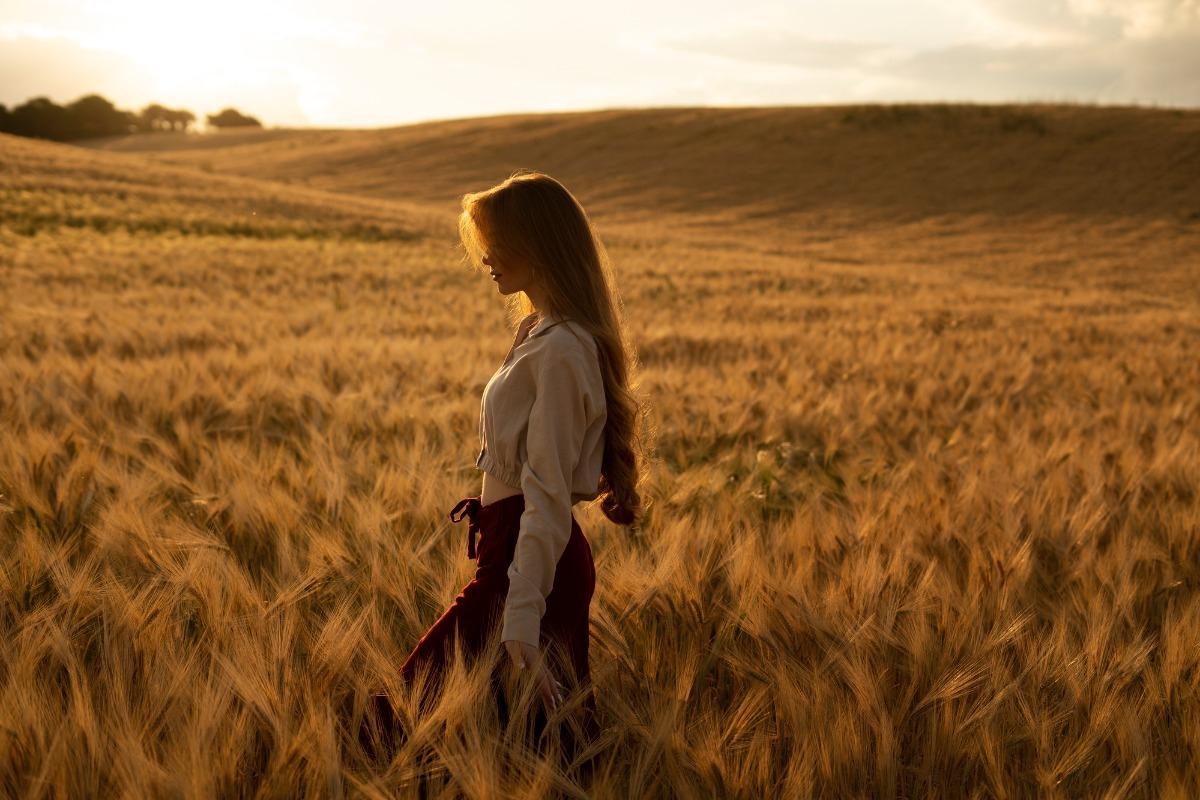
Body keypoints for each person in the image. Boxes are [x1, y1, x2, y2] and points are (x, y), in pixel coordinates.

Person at [359, 171, 649, 775]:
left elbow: (545, 495)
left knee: (398, 723)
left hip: (530, 561)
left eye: (496, 242)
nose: (484, 257)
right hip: (510, 551)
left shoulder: (562, 349)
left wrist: (521, 614)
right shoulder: (537, 335)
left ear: (538, 243)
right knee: (518, 750)